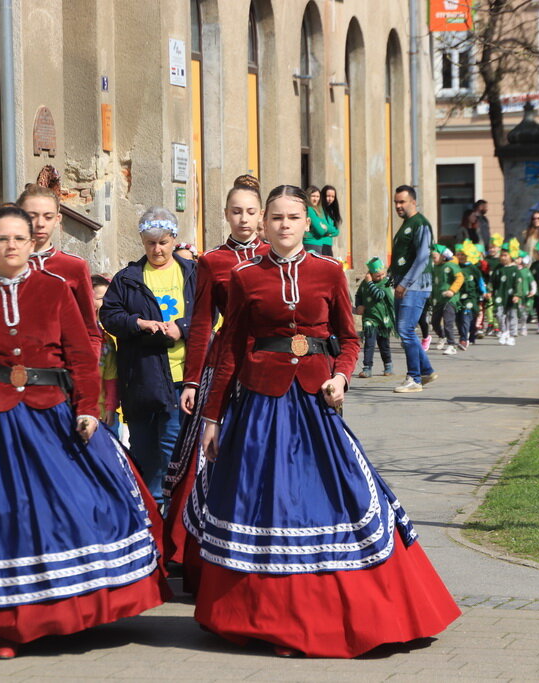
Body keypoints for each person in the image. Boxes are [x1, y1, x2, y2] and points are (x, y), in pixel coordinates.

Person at [188, 184, 460, 658]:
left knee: (337, 496)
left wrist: (341, 377)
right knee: (267, 505)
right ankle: (267, 621)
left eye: (294, 217)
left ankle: (350, 614)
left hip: (314, 402)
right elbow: (230, 349)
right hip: (259, 406)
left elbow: (348, 339)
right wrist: (212, 416)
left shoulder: (329, 272)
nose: (285, 225)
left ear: (307, 223)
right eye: (276, 218)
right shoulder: (245, 275)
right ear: (265, 223)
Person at [0, 205, 170, 659]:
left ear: (31, 243)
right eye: (1, 239)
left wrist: (87, 408)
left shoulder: (56, 289)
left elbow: (81, 355)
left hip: (51, 417)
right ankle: (5, 624)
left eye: (19, 239)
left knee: (71, 508)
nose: (11, 247)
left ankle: (67, 610)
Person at [165, 178, 270, 578]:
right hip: (222, 361)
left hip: (265, 361)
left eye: (250, 211)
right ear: (225, 215)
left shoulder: (273, 255)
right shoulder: (212, 261)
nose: (243, 219)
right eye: (236, 211)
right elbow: (203, 323)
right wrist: (192, 379)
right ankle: (195, 555)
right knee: (205, 456)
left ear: (261, 215)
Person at [100, 208, 196, 509]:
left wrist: (181, 328)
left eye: (164, 242)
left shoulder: (192, 273)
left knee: (173, 451)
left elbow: (208, 314)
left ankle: (173, 517)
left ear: (174, 240)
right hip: (142, 378)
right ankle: (150, 515)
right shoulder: (128, 278)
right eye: (150, 243)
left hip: (180, 380)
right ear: (142, 241)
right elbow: (109, 315)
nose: (157, 249)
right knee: (143, 452)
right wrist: (138, 324)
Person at [17, 185, 102, 357]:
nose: (40, 224)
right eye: (32, 216)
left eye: (48, 217)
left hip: (60, 372)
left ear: (58, 219)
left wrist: (85, 371)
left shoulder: (73, 267)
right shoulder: (0, 266)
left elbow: (90, 330)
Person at [389, 185, 437, 393]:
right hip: (403, 284)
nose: (398, 206)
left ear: (413, 202)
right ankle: (425, 371)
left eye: (402, 202)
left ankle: (414, 378)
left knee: (406, 330)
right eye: (396, 202)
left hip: (415, 286)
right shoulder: (406, 224)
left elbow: (422, 257)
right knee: (405, 330)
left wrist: (405, 283)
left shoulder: (421, 224)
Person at [354, 257, 396, 378]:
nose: (381, 277)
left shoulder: (385, 283)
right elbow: (358, 294)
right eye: (378, 276)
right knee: (369, 343)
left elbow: (379, 295)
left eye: (383, 274)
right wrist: (359, 305)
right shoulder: (365, 283)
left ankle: (388, 365)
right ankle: (367, 368)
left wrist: (370, 283)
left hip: (383, 320)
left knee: (384, 345)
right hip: (369, 319)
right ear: (370, 274)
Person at [91, 274, 120, 437]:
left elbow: (111, 377)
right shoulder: (71, 335)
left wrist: (110, 407)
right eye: (101, 298)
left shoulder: (106, 339)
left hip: (104, 414)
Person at [431, 246, 464, 355]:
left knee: (448, 322)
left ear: (443, 256)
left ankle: (452, 345)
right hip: (438, 299)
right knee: (434, 322)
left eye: (434, 256)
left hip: (450, 299)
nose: (433, 259)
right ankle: (442, 336)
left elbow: (460, 278)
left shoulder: (450, 265)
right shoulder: (434, 267)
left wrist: (452, 290)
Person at [491, 249, 522, 346]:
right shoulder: (498, 268)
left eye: (505, 255)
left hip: (511, 296)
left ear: (511, 256)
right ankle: (504, 332)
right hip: (499, 295)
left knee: (512, 315)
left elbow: (518, 283)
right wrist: (488, 291)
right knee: (499, 314)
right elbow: (492, 281)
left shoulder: (515, 269)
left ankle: (512, 336)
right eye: (501, 255)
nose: (503, 257)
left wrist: (517, 294)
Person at [304, 185, 338, 255]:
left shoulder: (318, 210)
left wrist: (326, 228)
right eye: (313, 196)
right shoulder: (310, 209)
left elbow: (336, 231)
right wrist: (326, 229)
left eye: (317, 197)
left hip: (319, 244)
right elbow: (320, 231)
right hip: (312, 244)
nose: (315, 199)